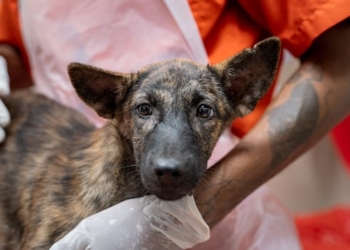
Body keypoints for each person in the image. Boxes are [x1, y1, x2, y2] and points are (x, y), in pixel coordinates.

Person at [0, 0, 349, 249]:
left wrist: (196, 212)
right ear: (106, 101)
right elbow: (12, 57)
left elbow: (342, 56)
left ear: (240, 93)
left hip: (229, 216)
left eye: (203, 111)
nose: (170, 162)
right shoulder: (60, 213)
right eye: (145, 110)